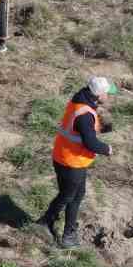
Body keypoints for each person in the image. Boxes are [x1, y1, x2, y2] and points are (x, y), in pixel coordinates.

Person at [40, 76, 118, 248]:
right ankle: (53, 227)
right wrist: (107, 149)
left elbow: (80, 131)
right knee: (68, 196)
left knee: (75, 195)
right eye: (107, 93)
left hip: (66, 157)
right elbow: (90, 142)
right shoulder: (85, 114)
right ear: (98, 95)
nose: (109, 96)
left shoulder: (80, 101)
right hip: (71, 162)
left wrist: (101, 129)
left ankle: (60, 228)